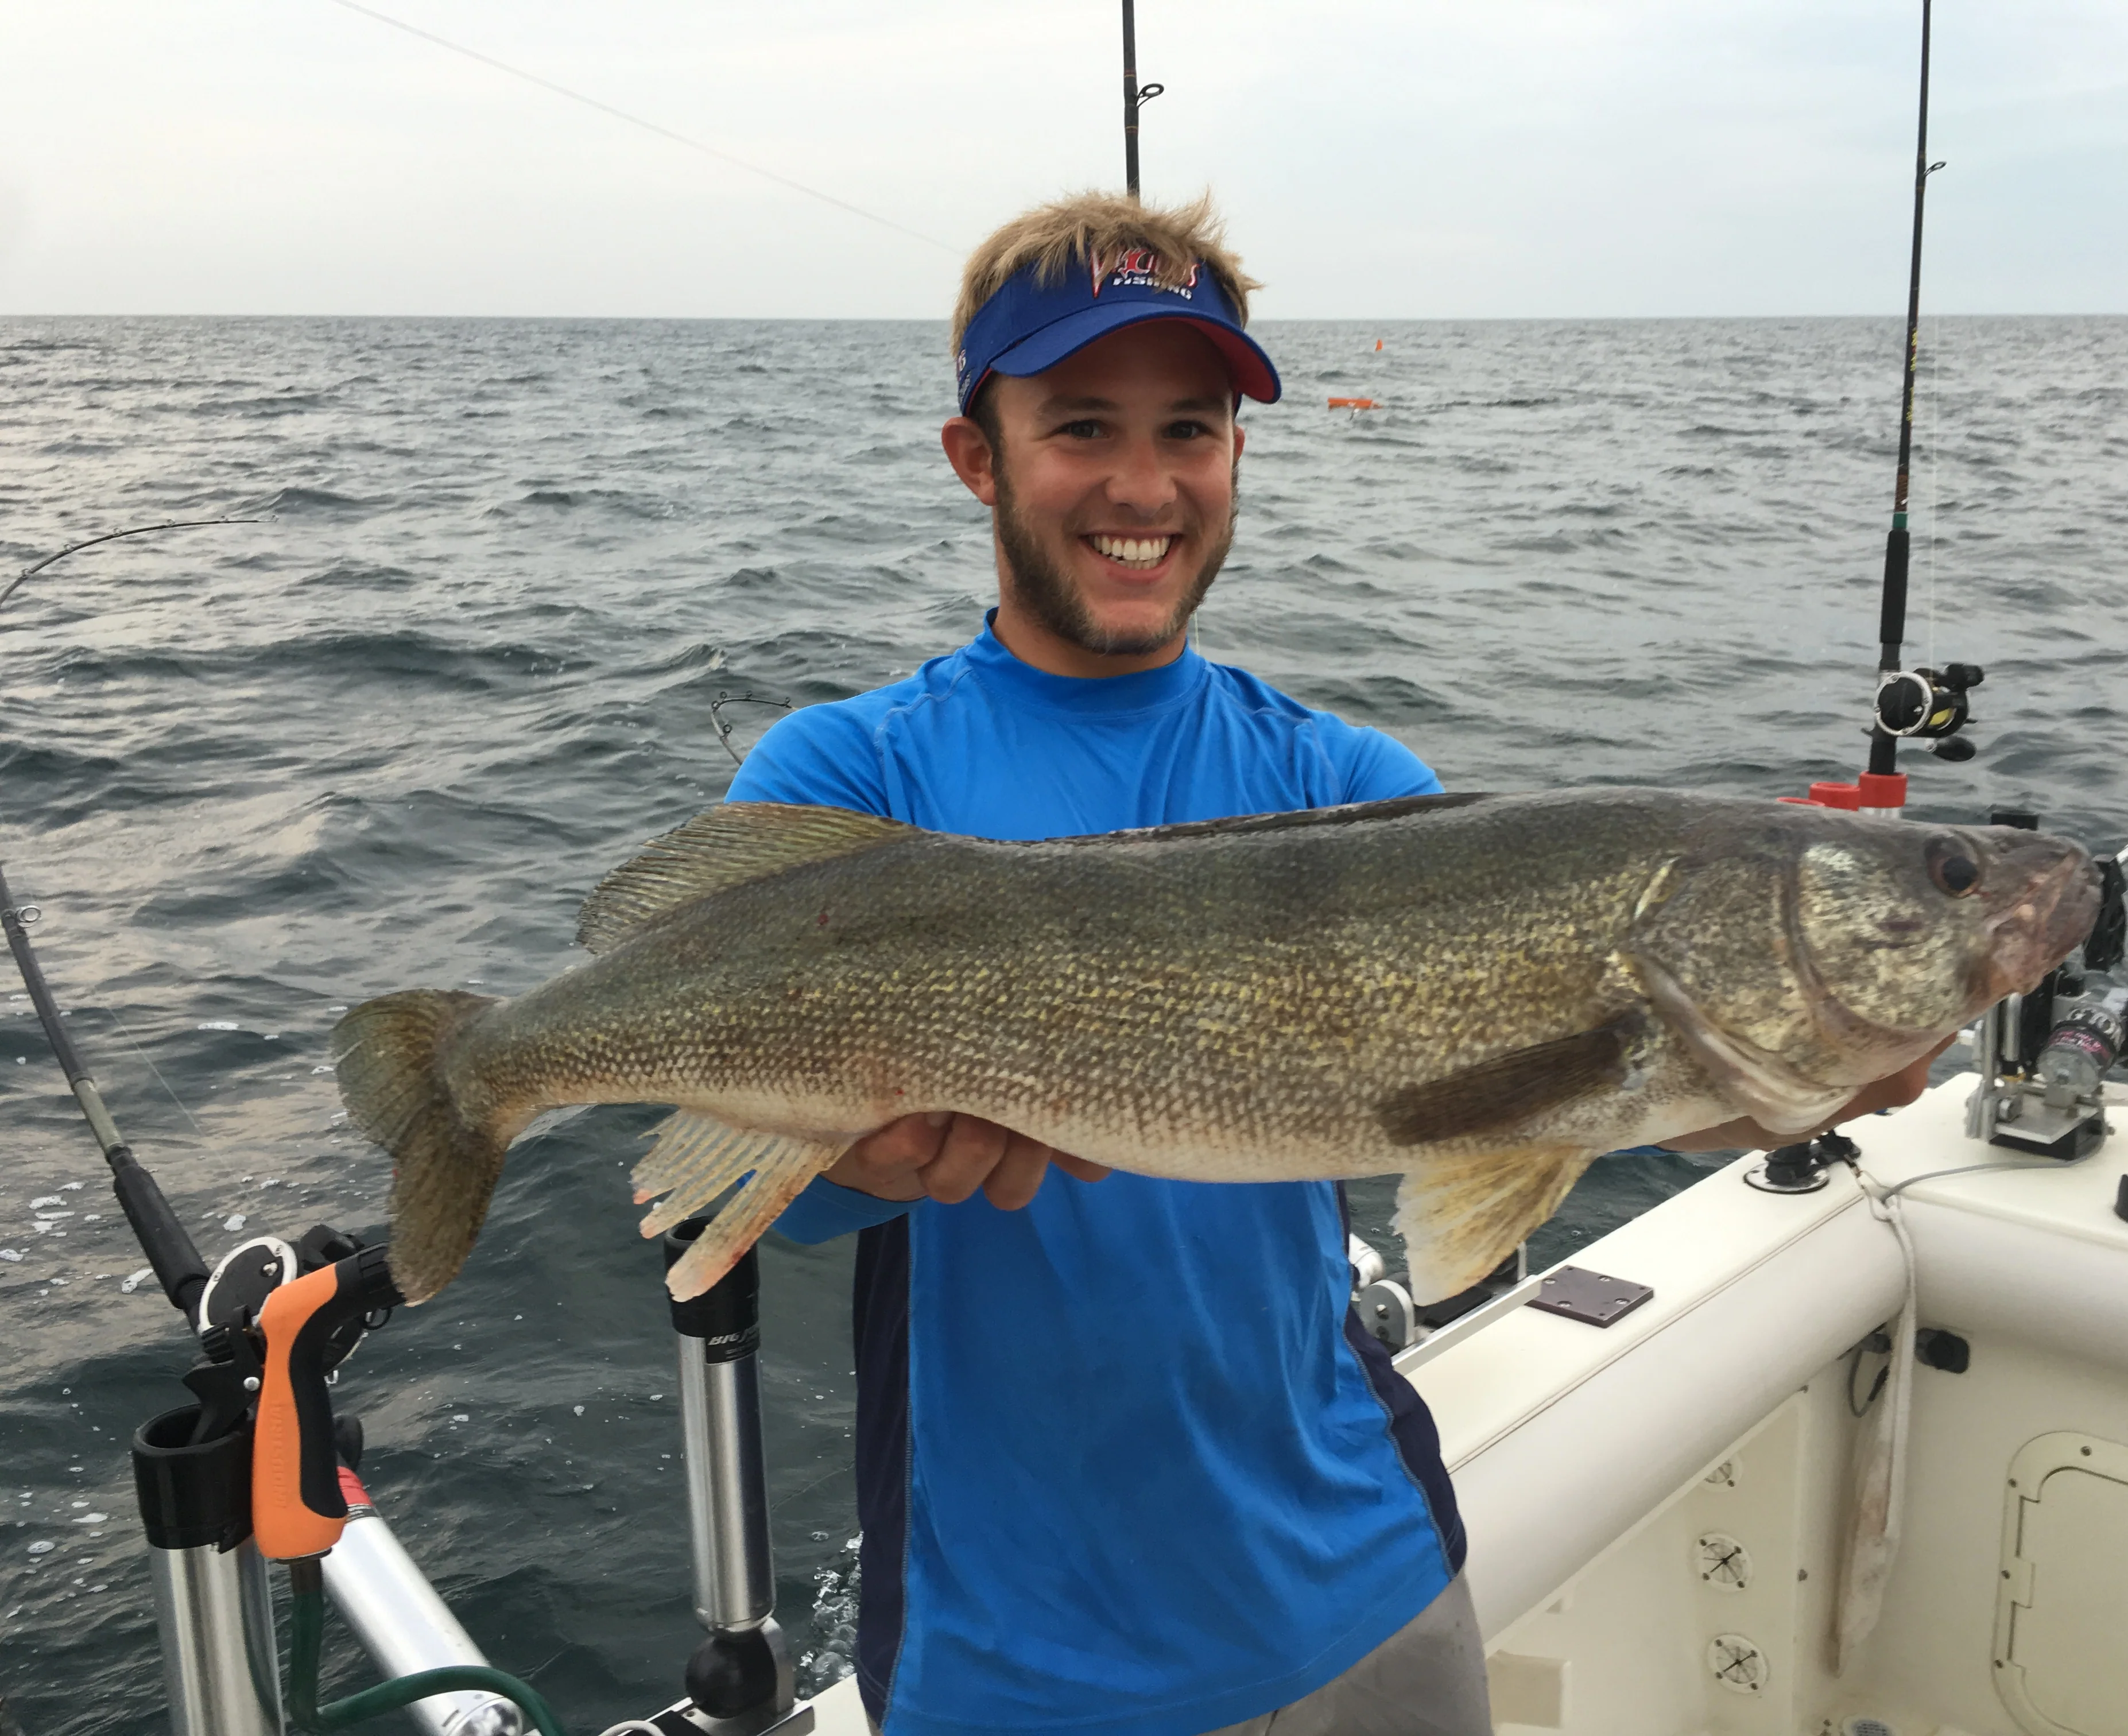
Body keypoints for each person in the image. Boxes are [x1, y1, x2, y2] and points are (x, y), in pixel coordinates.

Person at [728, 192, 1935, 1736]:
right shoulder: (846, 778)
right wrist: (879, 1160)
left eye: (1194, 428)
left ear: (1239, 456)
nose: (1143, 484)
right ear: (979, 456)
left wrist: (1782, 1067)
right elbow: (765, 1193)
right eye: (1082, 425)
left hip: (1365, 1579)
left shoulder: (1357, 779)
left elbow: (1541, 1096)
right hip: (1014, 1657)